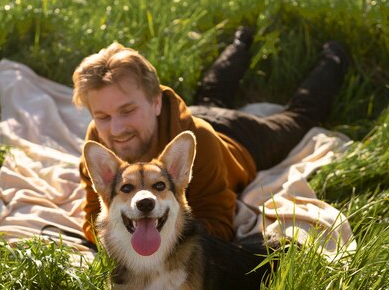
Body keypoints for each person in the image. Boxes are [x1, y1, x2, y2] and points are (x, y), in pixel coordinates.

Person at [73, 27, 348, 245]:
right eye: (103, 116)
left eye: (128, 110)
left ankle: (335, 54)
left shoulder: (199, 142)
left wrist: (163, 242)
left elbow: (218, 220)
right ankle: (242, 40)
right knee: (210, 96)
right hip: (196, 113)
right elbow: (94, 214)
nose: (117, 129)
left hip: (238, 139)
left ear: (156, 102)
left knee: (299, 119)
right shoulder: (98, 149)